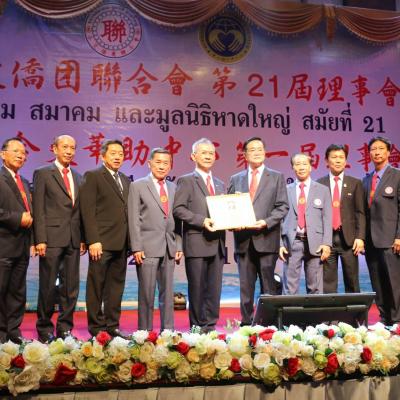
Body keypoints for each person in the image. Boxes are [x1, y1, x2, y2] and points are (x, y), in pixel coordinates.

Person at [228, 137, 288, 326]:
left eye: (260, 149)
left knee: (268, 286)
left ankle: (268, 324)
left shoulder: (276, 177)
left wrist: (266, 222)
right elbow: (228, 208)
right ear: (245, 155)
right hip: (243, 241)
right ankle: (246, 324)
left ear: (265, 152)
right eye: (252, 149)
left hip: (267, 239)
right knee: (245, 287)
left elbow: (282, 207)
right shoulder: (236, 179)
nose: (257, 152)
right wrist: (233, 223)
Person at [33, 135, 86, 343]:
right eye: (65, 147)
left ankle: (65, 328)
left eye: (72, 148)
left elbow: (79, 211)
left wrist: (82, 238)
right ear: (54, 149)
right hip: (51, 238)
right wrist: (40, 239)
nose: (69, 151)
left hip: (73, 239)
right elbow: (38, 208)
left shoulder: (78, 176)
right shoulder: (43, 173)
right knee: (48, 286)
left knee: (70, 287)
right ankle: (44, 328)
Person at [173, 138, 225, 333]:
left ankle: (211, 326)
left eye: (211, 153)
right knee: (197, 288)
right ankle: (197, 327)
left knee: (214, 288)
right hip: (196, 241)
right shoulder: (186, 180)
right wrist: (202, 221)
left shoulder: (220, 184)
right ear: (193, 156)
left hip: (217, 244)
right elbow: (178, 209)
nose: (208, 156)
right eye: (203, 152)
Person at [128, 148, 183, 331]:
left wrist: (178, 245)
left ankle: (168, 331)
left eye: (166, 163)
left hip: (169, 246)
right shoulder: (138, 186)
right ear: (149, 163)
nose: (161, 166)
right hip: (147, 247)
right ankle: (145, 333)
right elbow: (133, 219)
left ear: (170, 166)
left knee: (167, 294)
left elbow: (178, 219)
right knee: (147, 294)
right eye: (158, 162)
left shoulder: (174, 188)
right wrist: (136, 247)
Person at [80, 139, 130, 338]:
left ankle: (112, 325)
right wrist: (93, 240)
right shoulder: (93, 176)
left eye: (121, 154)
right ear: (103, 156)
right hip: (101, 242)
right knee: (96, 286)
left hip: (121, 242)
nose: (117, 157)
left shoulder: (125, 179)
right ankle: (96, 327)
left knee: (116, 287)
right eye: (113, 153)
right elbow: (87, 211)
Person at [279, 153, 332, 294]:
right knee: (289, 288)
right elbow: (279, 218)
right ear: (293, 168)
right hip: (292, 243)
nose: (301, 167)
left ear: (311, 167)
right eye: (297, 164)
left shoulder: (322, 190)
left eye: (304, 164)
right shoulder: (285, 190)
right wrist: (280, 244)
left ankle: (315, 310)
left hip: (316, 244)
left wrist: (327, 243)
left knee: (315, 288)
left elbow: (327, 219)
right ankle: (290, 310)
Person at [317, 144, 365, 293]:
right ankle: (330, 309)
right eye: (334, 157)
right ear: (326, 161)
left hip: (349, 240)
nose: (338, 160)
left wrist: (360, 237)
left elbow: (360, 212)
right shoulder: (319, 183)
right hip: (327, 240)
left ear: (345, 161)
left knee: (352, 280)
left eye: (341, 157)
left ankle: (354, 309)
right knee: (328, 282)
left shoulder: (355, 183)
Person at [363, 136, 400, 325]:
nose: (376, 152)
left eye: (380, 148)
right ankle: (385, 319)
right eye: (373, 149)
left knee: (393, 283)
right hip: (371, 241)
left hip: (390, 240)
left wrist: (399, 236)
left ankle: (397, 320)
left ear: (388, 152)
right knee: (377, 283)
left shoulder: (397, 175)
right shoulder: (366, 179)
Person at [0, 137, 34, 344]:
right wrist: (16, 218)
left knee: (17, 292)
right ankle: (1, 334)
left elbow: (30, 213)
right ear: (3, 154)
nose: (21, 155)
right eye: (16, 151)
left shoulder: (25, 182)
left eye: (23, 152)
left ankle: (14, 331)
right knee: (1, 290)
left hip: (22, 245)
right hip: (3, 246)